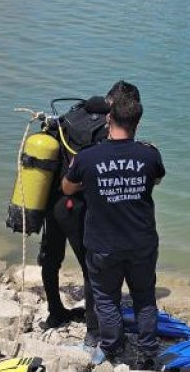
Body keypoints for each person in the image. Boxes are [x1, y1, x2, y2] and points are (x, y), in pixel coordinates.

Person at [61, 86, 165, 368]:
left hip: (103, 243)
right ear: (137, 123)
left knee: (106, 299)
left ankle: (111, 346)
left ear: (109, 119)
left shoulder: (87, 158)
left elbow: (67, 188)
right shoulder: (150, 155)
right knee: (144, 298)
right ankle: (148, 350)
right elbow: (155, 180)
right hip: (142, 241)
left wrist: (92, 181)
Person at [37, 81, 142, 340]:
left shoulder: (75, 112)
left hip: (53, 199)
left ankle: (55, 313)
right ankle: (94, 331)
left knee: (51, 259)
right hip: (77, 206)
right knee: (91, 268)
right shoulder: (106, 129)